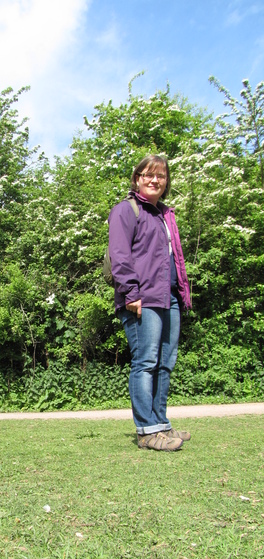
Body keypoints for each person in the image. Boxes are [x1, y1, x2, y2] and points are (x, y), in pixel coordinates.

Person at [108, 155, 192, 451]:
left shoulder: (164, 215)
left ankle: (161, 423)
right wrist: (131, 293)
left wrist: (181, 293)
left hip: (168, 296)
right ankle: (147, 431)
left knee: (165, 364)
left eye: (161, 176)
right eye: (148, 174)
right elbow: (120, 254)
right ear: (137, 178)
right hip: (141, 298)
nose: (155, 180)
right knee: (145, 362)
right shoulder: (126, 210)